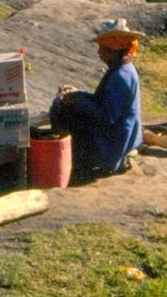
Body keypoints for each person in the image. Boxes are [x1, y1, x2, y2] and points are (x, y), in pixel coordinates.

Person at [50, 18, 143, 183]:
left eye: (102, 48)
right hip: (117, 134)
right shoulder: (121, 70)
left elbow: (106, 116)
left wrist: (77, 100)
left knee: (66, 112)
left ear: (113, 50)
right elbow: (102, 101)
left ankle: (86, 162)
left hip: (114, 142)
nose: (99, 53)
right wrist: (79, 94)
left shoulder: (121, 76)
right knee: (70, 104)